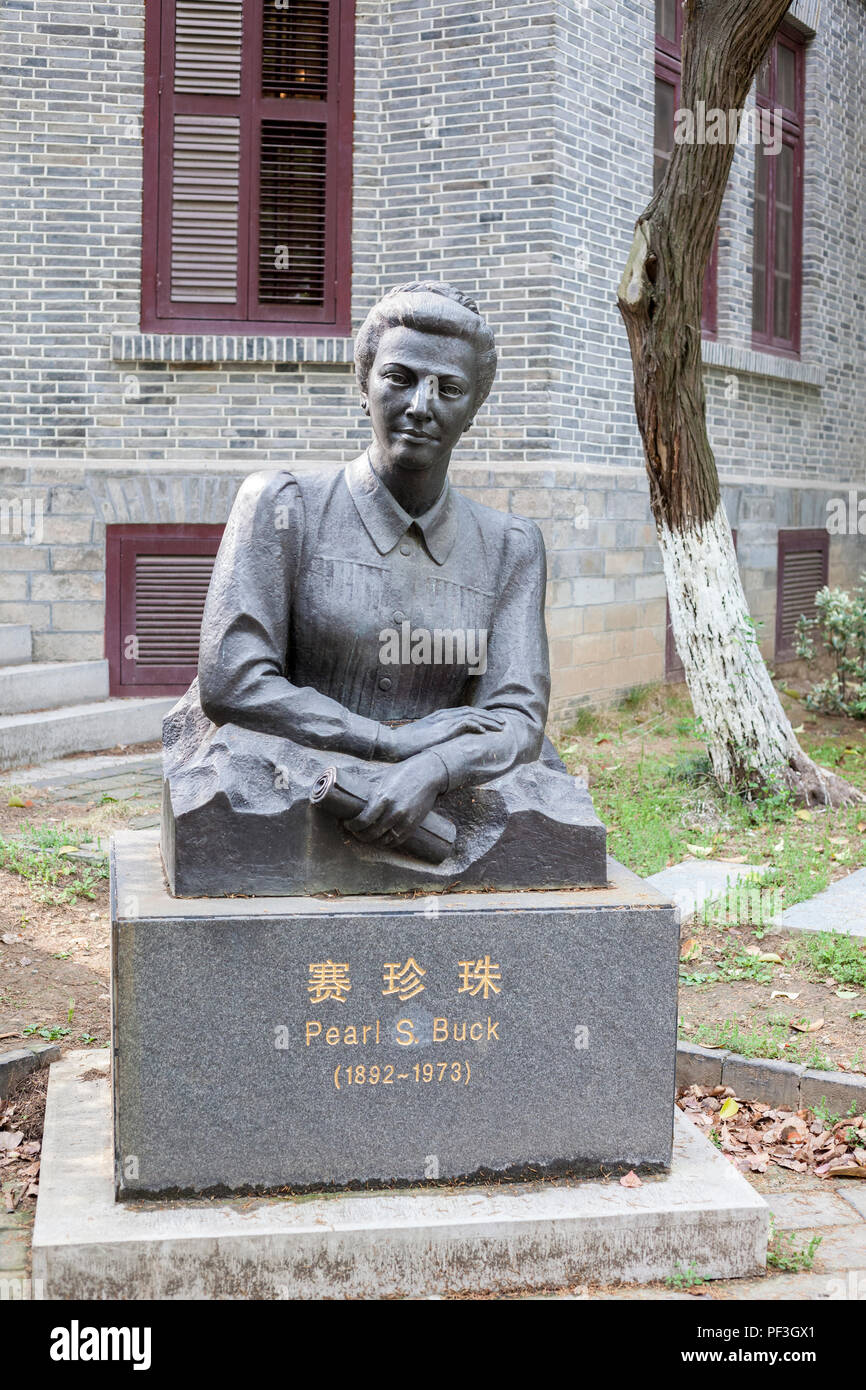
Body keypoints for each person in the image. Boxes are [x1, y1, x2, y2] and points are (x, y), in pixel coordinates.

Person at [195, 281, 551, 854]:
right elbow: (233, 682)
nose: (420, 406)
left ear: (473, 410)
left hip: (445, 806)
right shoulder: (283, 507)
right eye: (399, 378)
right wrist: (385, 741)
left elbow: (516, 715)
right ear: (364, 387)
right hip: (297, 789)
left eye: (449, 389)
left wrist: (434, 767)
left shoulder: (511, 546)